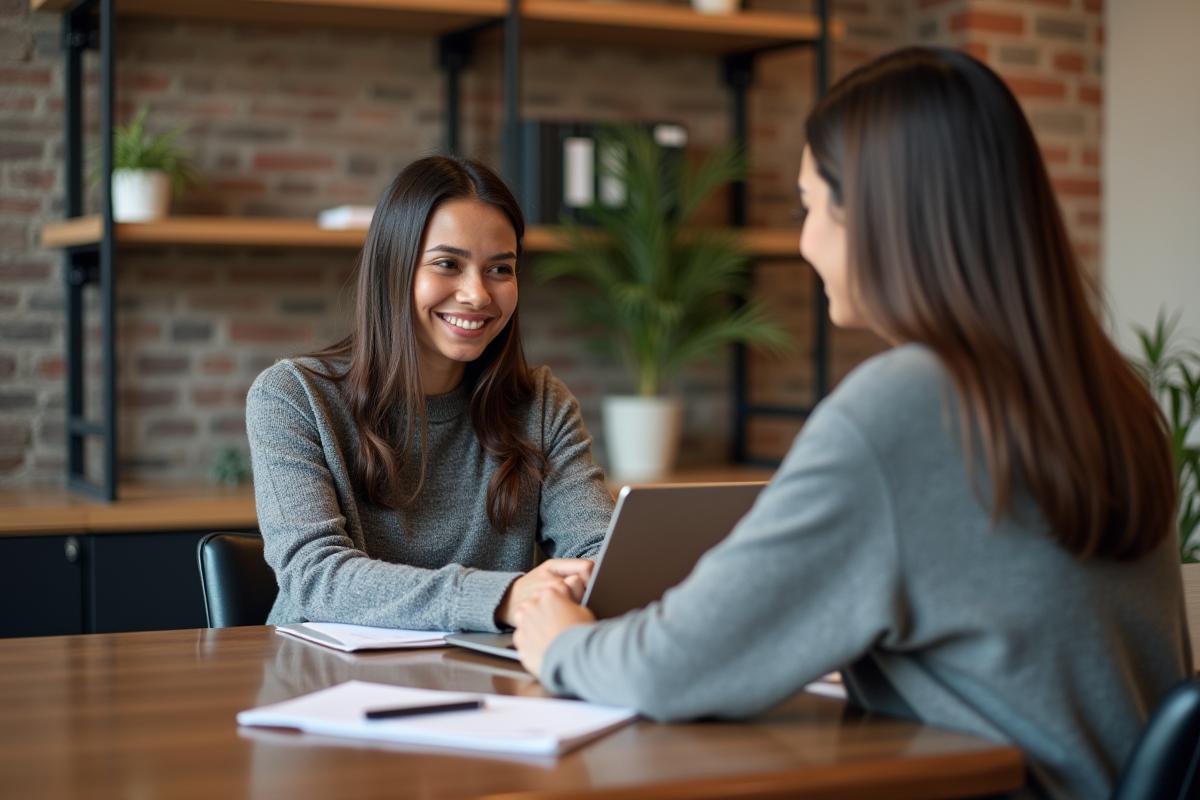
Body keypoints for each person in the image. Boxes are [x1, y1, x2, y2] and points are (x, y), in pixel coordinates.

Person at [510, 47, 1192, 800]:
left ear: (878, 211)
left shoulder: (905, 404)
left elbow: (675, 666)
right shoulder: (1108, 390)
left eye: (810, 205)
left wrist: (563, 641)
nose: (804, 243)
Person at [246, 155, 614, 634]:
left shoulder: (541, 404)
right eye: (447, 264)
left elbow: (600, 552)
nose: (478, 295)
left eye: (500, 269)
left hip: (491, 683)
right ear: (393, 269)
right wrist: (500, 597)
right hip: (325, 682)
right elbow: (315, 578)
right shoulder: (292, 398)